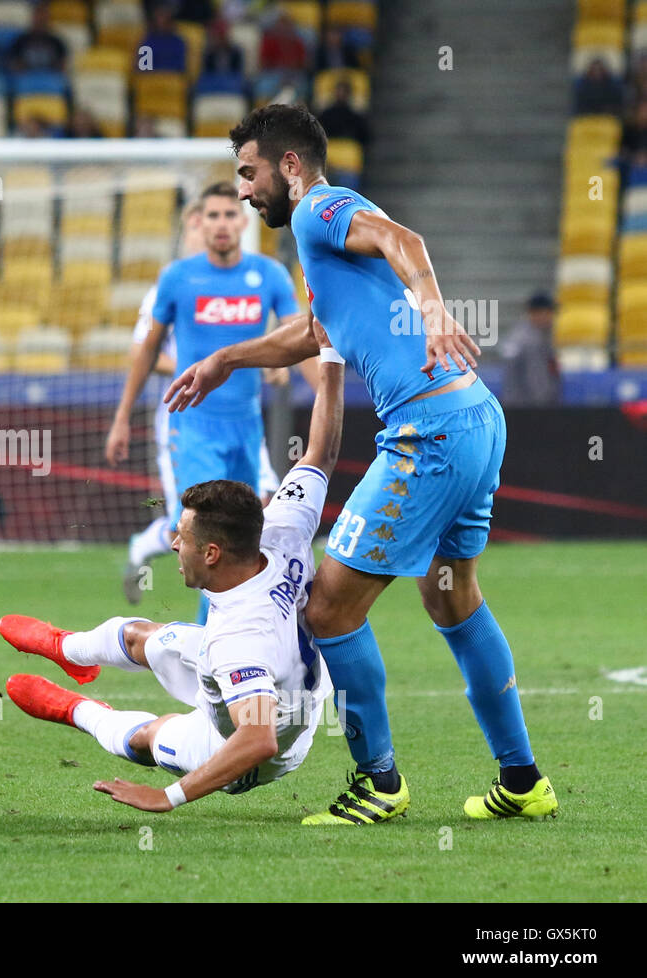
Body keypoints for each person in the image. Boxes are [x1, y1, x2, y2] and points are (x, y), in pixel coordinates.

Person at [168, 104, 556, 824]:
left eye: (249, 174)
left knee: (328, 607)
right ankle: (523, 779)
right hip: (474, 420)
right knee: (451, 596)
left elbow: (401, 238)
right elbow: (312, 335)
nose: (245, 192)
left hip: (429, 432)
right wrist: (227, 355)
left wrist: (434, 306)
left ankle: (379, 782)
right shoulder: (321, 249)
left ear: (289, 166)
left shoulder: (319, 207)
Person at [0, 326, 345, 812]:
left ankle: (80, 711)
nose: (174, 542)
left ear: (212, 555)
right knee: (146, 637)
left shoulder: (238, 641)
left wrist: (167, 796)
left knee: (147, 735)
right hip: (274, 675)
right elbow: (321, 453)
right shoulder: (282, 528)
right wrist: (331, 357)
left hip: (245, 748)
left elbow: (260, 739)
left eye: (183, 538)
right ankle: (67, 649)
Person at [107, 182, 299, 625]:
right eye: (211, 217)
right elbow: (146, 350)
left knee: (248, 526)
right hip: (189, 422)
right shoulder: (176, 278)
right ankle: (207, 638)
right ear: (198, 222)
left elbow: (294, 335)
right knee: (200, 529)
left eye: (230, 215)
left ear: (244, 221)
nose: (221, 225)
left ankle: (232, 630)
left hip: (246, 425)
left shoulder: (266, 275)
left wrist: (278, 363)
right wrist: (122, 417)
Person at [500, 292, 560, 406]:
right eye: (549, 312)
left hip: (517, 405)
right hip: (529, 408)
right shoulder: (532, 341)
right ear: (537, 313)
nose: (552, 318)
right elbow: (537, 381)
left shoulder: (519, 334)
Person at [8, 2, 67, 73]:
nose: (41, 19)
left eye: (44, 16)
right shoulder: (21, 41)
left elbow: (62, 67)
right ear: (33, 18)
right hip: (27, 77)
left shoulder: (57, 42)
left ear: (48, 18)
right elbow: (14, 65)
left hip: (49, 77)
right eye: (38, 15)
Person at [316, 78, 369, 146]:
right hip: (330, 148)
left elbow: (364, 137)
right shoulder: (326, 115)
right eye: (339, 91)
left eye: (344, 91)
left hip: (349, 150)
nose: (341, 94)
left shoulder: (355, 117)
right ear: (334, 93)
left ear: (349, 94)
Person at [139, 2, 186, 74]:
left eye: (164, 17)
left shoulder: (178, 42)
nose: (161, 21)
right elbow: (143, 68)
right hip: (151, 80)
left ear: (170, 20)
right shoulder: (147, 41)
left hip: (171, 79)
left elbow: (180, 68)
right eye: (159, 17)